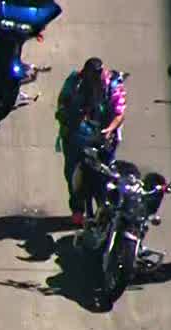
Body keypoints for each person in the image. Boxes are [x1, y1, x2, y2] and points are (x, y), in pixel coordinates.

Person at [55, 57, 127, 225]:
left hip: (103, 136)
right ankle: (77, 209)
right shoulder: (74, 81)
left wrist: (110, 129)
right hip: (76, 135)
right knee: (73, 173)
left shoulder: (113, 84)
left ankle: (103, 211)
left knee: (105, 176)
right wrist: (67, 117)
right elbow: (62, 103)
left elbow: (119, 112)